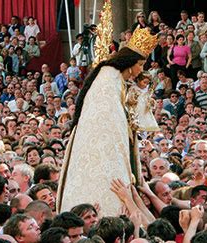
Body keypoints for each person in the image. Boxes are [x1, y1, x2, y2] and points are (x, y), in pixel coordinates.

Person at [57, 27, 158, 215]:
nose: (141, 70)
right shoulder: (108, 78)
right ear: (130, 63)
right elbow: (110, 119)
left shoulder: (116, 78)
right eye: (141, 65)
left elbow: (124, 114)